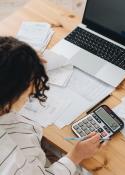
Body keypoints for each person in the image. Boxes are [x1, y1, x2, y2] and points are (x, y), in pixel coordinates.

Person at [0, 36, 105, 175]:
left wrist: (27, 61)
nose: (34, 91)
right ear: (12, 92)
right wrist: (75, 156)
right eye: (30, 90)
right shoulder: (12, 161)